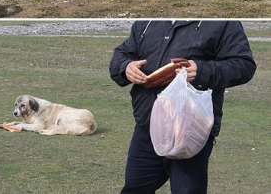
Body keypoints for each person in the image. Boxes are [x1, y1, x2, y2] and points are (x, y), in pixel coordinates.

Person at [109, 21, 256, 194]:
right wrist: (125, 67)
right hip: (147, 126)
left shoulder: (222, 23)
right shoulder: (147, 22)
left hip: (191, 130)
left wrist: (202, 71)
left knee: (187, 191)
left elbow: (244, 65)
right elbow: (123, 53)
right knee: (134, 189)